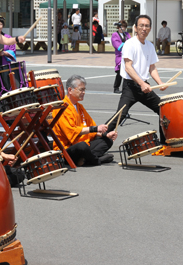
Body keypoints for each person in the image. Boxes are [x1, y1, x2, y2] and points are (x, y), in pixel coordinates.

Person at [106, 15, 169, 144]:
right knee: (120, 116)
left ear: (150, 28)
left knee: (164, 110)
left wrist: (160, 83)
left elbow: (152, 68)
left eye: (146, 26)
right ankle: (98, 136)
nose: (144, 28)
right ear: (135, 28)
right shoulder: (130, 44)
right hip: (131, 86)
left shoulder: (150, 46)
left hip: (144, 87)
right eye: (141, 25)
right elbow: (128, 67)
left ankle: (165, 143)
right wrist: (141, 83)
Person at [52, 75, 117, 166]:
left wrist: (106, 134)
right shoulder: (61, 108)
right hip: (67, 149)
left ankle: (85, 159)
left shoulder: (80, 107)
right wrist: (95, 129)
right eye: (81, 90)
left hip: (84, 144)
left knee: (107, 141)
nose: (84, 92)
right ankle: (96, 160)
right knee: (82, 146)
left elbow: (92, 130)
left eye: (84, 90)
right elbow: (72, 132)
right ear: (70, 90)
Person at [111, 20, 130, 94]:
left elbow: (131, 42)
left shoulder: (127, 34)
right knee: (119, 73)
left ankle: (126, 88)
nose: (122, 28)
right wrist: (124, 44)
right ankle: (116, 87)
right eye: (121, 26)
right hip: (120, 56)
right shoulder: (115, 34)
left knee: (128, 73)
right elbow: (117, 46)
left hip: (127, 56)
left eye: (124, 27)